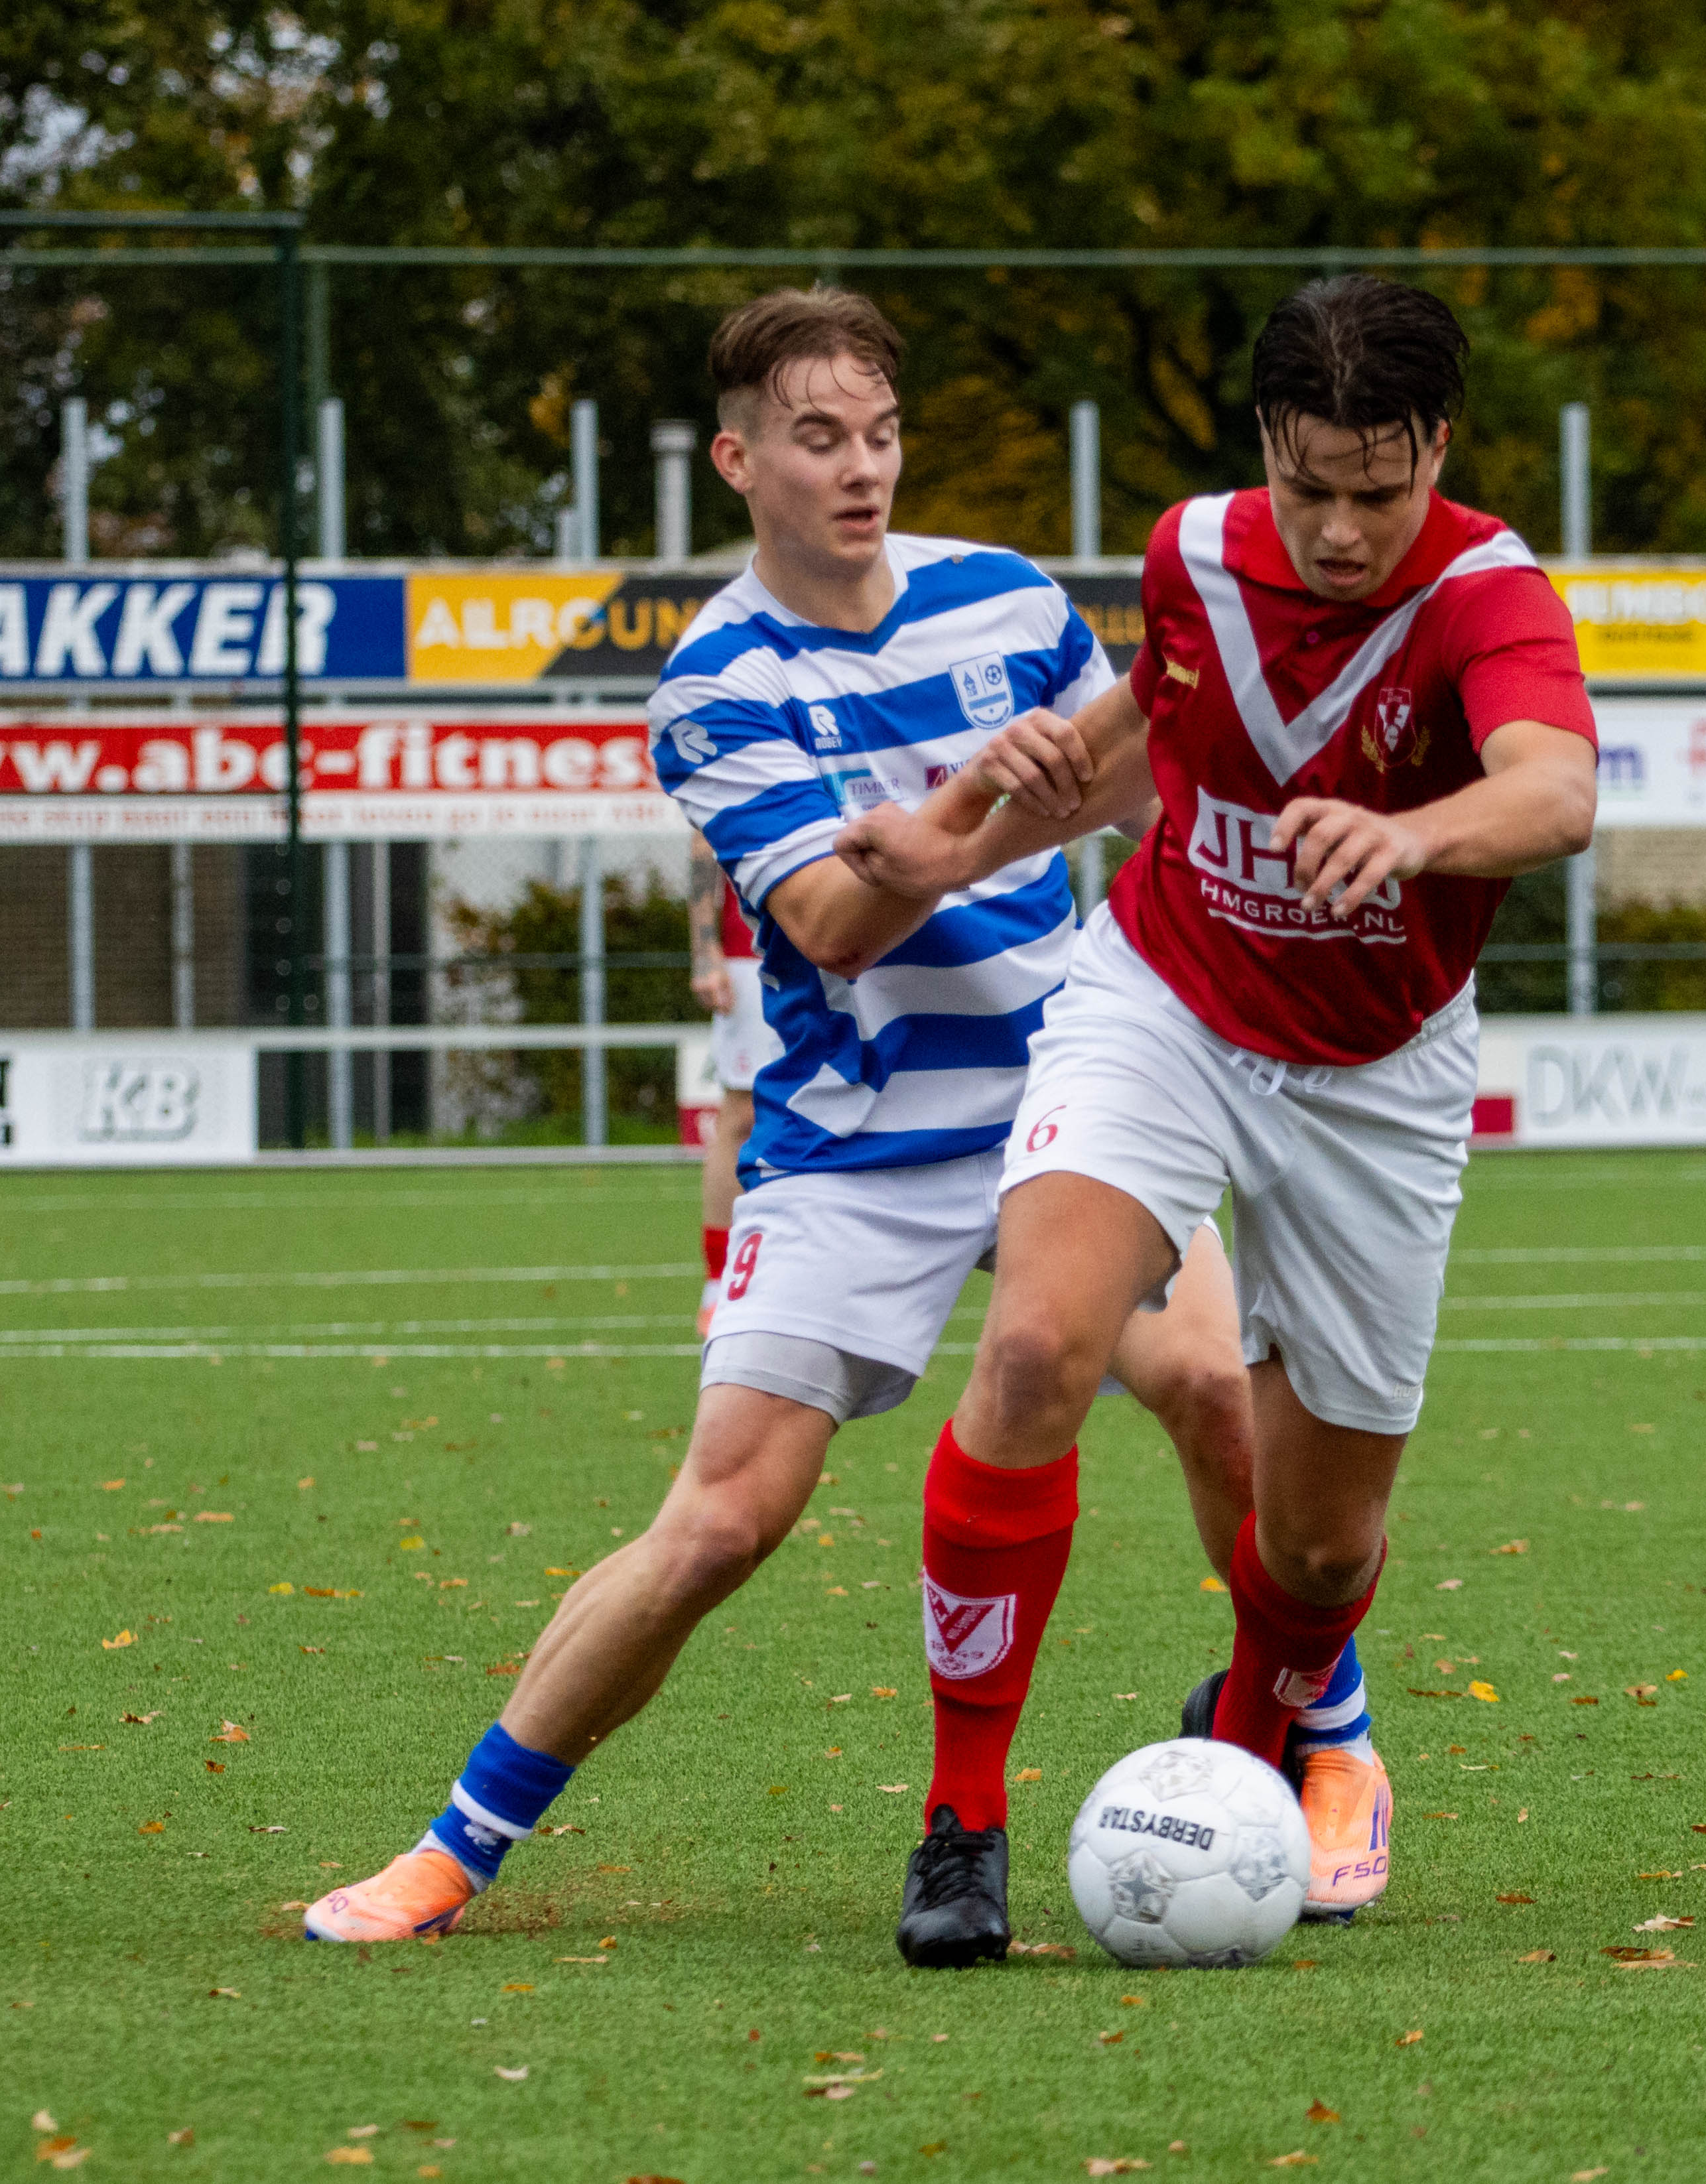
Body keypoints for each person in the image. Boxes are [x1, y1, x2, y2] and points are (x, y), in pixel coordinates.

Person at [299, 287, 1312, 1945]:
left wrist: (1004, 802)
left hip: (1074, 1086)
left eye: (882, 435)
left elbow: (1137, 773)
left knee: (1212, 1383)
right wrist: (990, 797)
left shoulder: (1002, 595)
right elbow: (840, 922)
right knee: (720, 1520)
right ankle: (456, 1846)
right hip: (856, 1134)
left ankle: (1311, 1741)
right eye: (820, 439)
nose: (862, 470)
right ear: (738, 460)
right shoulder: (712, 682)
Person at [836, 275, 1599, 1966]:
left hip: (1377, 1079)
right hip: (1162, 1003)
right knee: (1036, 1344)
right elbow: (1139, 737)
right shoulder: (1190, 551)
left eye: (1376, 488)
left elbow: (1555, 788)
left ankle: (1248, 1738)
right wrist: (957, 839)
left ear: (1437, 452)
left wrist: (1415, 836)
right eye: (1310, 482)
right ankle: (963, 1822)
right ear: (1267, 447)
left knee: (1319, 1549)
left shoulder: (1486, 591)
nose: (1338, 527)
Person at [687, 830, 773, 1336]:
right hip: (751, 953)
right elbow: (703, 839)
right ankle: (719, 1280)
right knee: (742, 1115)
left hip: (854, 942)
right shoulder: (740, 748)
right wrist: (705, 950)